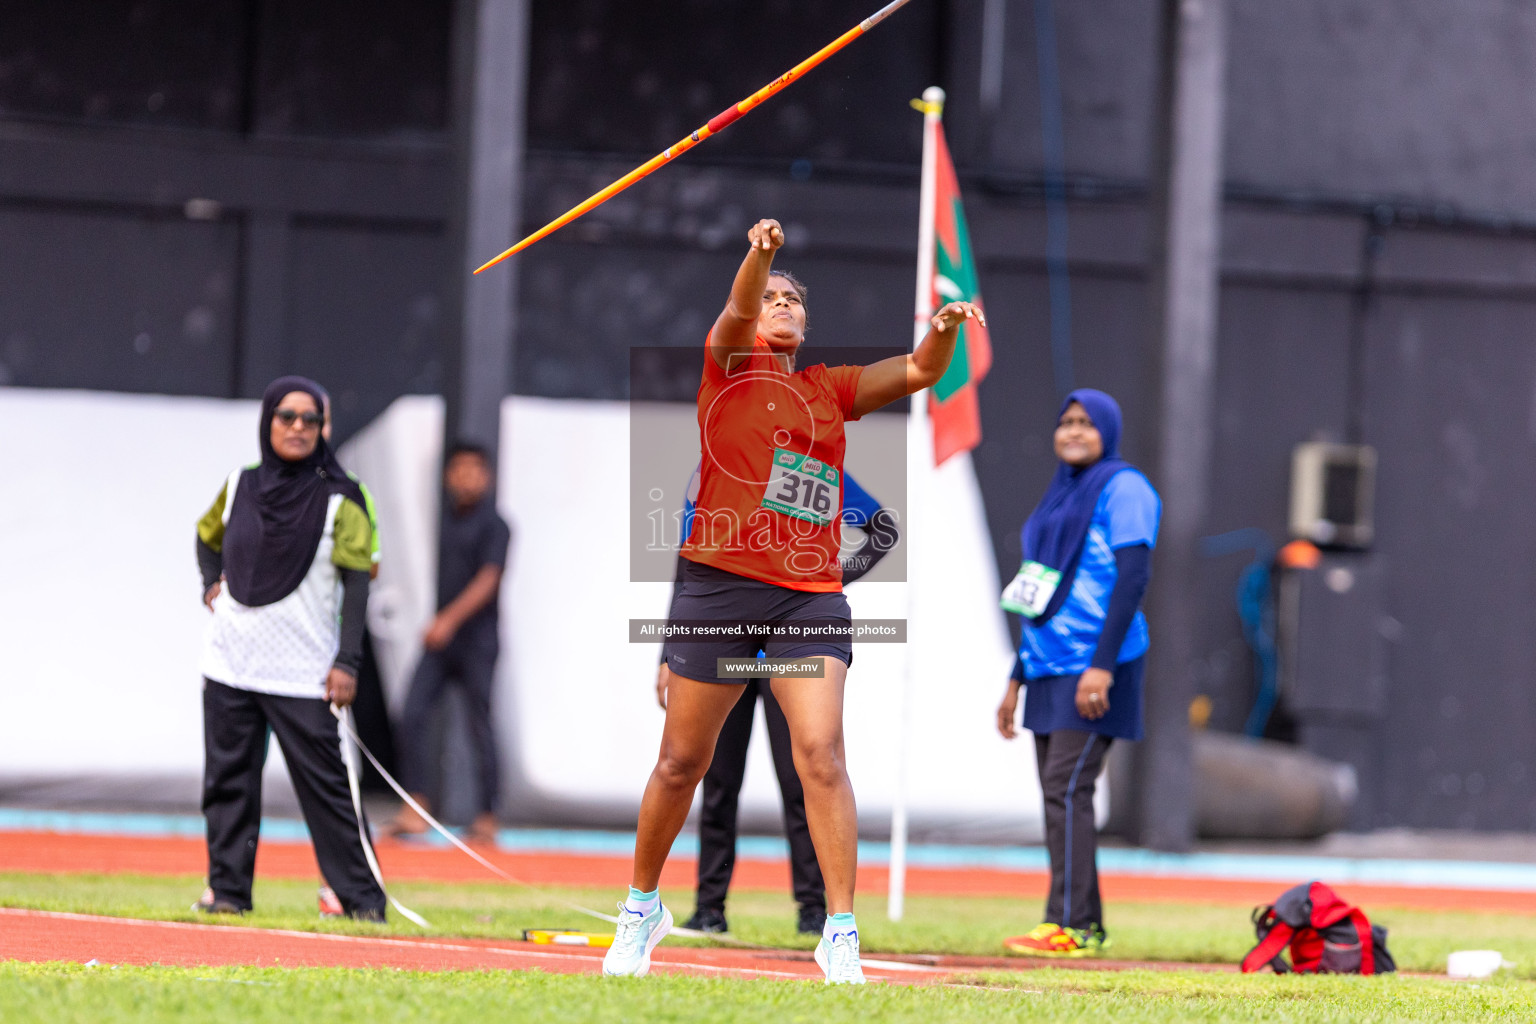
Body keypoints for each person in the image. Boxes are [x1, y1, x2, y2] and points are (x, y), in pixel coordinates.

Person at [602, 217, 983, 983]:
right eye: (771, 296)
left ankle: (840, 932)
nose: (779, 303)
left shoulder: (828, 391)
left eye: (792, 299)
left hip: (808, 600)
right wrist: (761, 253)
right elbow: (738, 308)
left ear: (806, 322)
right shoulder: (729, 365)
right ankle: (643, 909)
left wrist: (943, 332)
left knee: (821, 755)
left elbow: (916, 371)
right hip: (718, 590)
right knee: (682, 762)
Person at [659, 465, 900, 936]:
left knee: (803, 774)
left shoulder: (810, 468)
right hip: (722, 637)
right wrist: (670, 652)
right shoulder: (715, 464)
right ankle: (710, 908)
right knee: (716, 776)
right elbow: (686, 566)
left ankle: (815, 909)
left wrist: (825, 584)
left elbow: (882, 530)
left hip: (788, 644)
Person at [192, 375, 386, 920]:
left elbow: (358, 582)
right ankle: (227, 892)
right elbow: (206, 536)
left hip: (305, 668)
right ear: (267, 421)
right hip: (231, 661)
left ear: (324, 427)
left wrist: (348, 661)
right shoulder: (238, 484)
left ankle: (361, 901)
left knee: (329, 793)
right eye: (286, 416)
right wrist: (211, 579)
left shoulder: (344, 496)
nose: (298, 427)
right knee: (227, 783)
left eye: (310, 419)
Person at [995, 389, 1160, 957]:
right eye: (1065, 421)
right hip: (1047, 663)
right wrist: (1015, 677)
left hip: (1095, 665)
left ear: (1107, 431)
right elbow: (1037, 586)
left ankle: (1064, 924)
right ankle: (1083, 924)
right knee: (1061, 792)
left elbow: (1132, 579)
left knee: (1066, 788)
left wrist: (1101, 666)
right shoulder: (1059, 495)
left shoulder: (1126, 487)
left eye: (1086, 423)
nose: (1072, 431)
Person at [387, 442, 511, 844]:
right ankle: (416, 807)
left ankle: (487, 816)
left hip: (476, 640)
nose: (466, 476)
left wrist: (448, 619)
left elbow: (488, 581)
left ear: (487, 476)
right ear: (447, 476)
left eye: (474, 469)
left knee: (479, 724)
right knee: (412, 712)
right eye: (458, 469)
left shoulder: (496, 525)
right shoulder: (444, 522)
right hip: (442, 640)